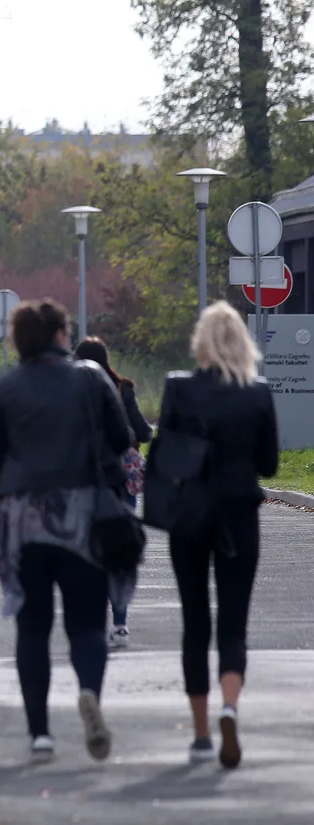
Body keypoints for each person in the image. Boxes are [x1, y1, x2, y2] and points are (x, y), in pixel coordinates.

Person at [0, 299, 132, 764]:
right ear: (62, 334)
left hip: (22, 521)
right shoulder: (90, 377)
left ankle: (40, 733)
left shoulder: (5, 387)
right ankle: (88, 692)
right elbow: (122, 440)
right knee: (86, 623)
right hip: (82, 514)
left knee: (33, 626)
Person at [157, 301, 278, 768]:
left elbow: (164, 453)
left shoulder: (177, 388)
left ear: (201, 341)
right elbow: (268, 463)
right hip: (238, 516)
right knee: (233, 622)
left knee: (194, 622)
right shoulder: (256, 393)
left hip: (189, 515)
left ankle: (202, 732)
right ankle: (231, 706)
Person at [74, 336, 154, 651]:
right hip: (121, 480)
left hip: (82, 479)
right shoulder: (123, 388)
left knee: (86, 551)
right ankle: (120, 624)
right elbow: (142, 432)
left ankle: (92, 621)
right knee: (119, 550)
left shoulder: (72, 391)